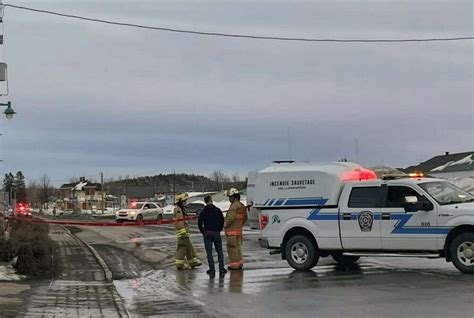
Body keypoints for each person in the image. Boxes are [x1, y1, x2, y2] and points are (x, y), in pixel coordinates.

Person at [198, 195, 227, 276]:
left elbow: (200, 223)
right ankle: (221, 268)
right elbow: (222, 220)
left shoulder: (203, 211)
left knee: (209, 252)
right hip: (216, 232)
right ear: (211, 200)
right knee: (219, 251)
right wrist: (219, 229)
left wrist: (203, 232)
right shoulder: (217, 210)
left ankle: (212, 269)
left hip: (207, 233)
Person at [174, 193, 202, 270]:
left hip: (185, 232)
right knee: (182, 248)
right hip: (182, 233)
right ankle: (180, 264)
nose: (185, 203)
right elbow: (179, 221)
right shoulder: (178, 210)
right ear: (180, 202)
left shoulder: (182, 209)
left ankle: (193, 262)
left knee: (189, 248)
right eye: (184, 201)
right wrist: (182, 231)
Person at [224, 188, 247, 271]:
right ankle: (239, 263)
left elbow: (230, 218)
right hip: (238, 232)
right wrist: (240, 225)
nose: (229, 199)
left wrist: (225, 224)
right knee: (238, 248)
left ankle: (234, 265)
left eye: (230, 197)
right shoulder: (241, 205)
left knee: (232, 249)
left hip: (231, 233)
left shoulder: (233, 206)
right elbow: (244, 218)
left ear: (233, 197)